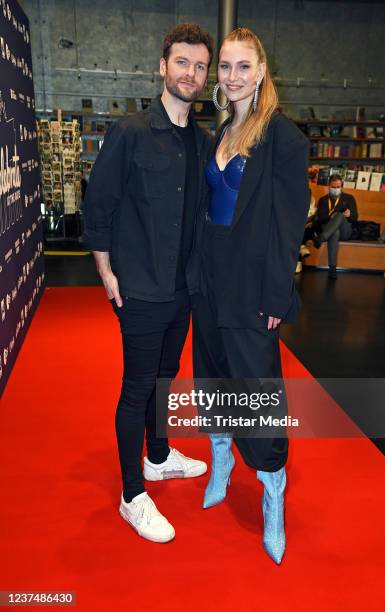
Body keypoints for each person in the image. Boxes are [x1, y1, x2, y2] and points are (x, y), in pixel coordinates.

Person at [83, 23, 214, 544]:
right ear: (163, 66)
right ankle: (132, 495)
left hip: (182, 287)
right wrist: (105, 270)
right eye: (182, 62)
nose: (192, 73)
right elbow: (100, 203)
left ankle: (158, 457)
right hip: (139, 288)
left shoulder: (202, 142)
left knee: (165, 379)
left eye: (200, 66)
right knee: (137, 388)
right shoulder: (132, 131)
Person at [192, 27, 310, 563]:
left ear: (262, 72)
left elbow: (288, 228)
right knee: (212, 376)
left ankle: (273, 497)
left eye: (243, 67)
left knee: (259, 398)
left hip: (251, 288)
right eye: (225, 66)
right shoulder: (219, 131)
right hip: (209, 282)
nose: (232, 76)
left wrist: (275, 296)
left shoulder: (283, 138)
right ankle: (221, 458)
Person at [312, 174, 358, 279]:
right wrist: (331, 217)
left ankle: (321, 238)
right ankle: (332, 269)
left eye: (338, 187)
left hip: (345, 230)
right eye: (334, 187)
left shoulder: (349, 198)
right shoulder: (323, 200)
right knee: (335, 232)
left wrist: (350, 215)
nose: (336, 189)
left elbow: (355, 218)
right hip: (330, 230)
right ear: (329, 186)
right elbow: (321, 219)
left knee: (340, 216)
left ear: (341, 186)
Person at [296, 189, 316, 273]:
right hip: (298, 227)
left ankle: (301, 249)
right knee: (299, 230)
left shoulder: (313, 201)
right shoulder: (297, 201)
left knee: (306, 228)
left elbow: (316, 217)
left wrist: (311, 222)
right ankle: (301, 250)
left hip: (309, 229)